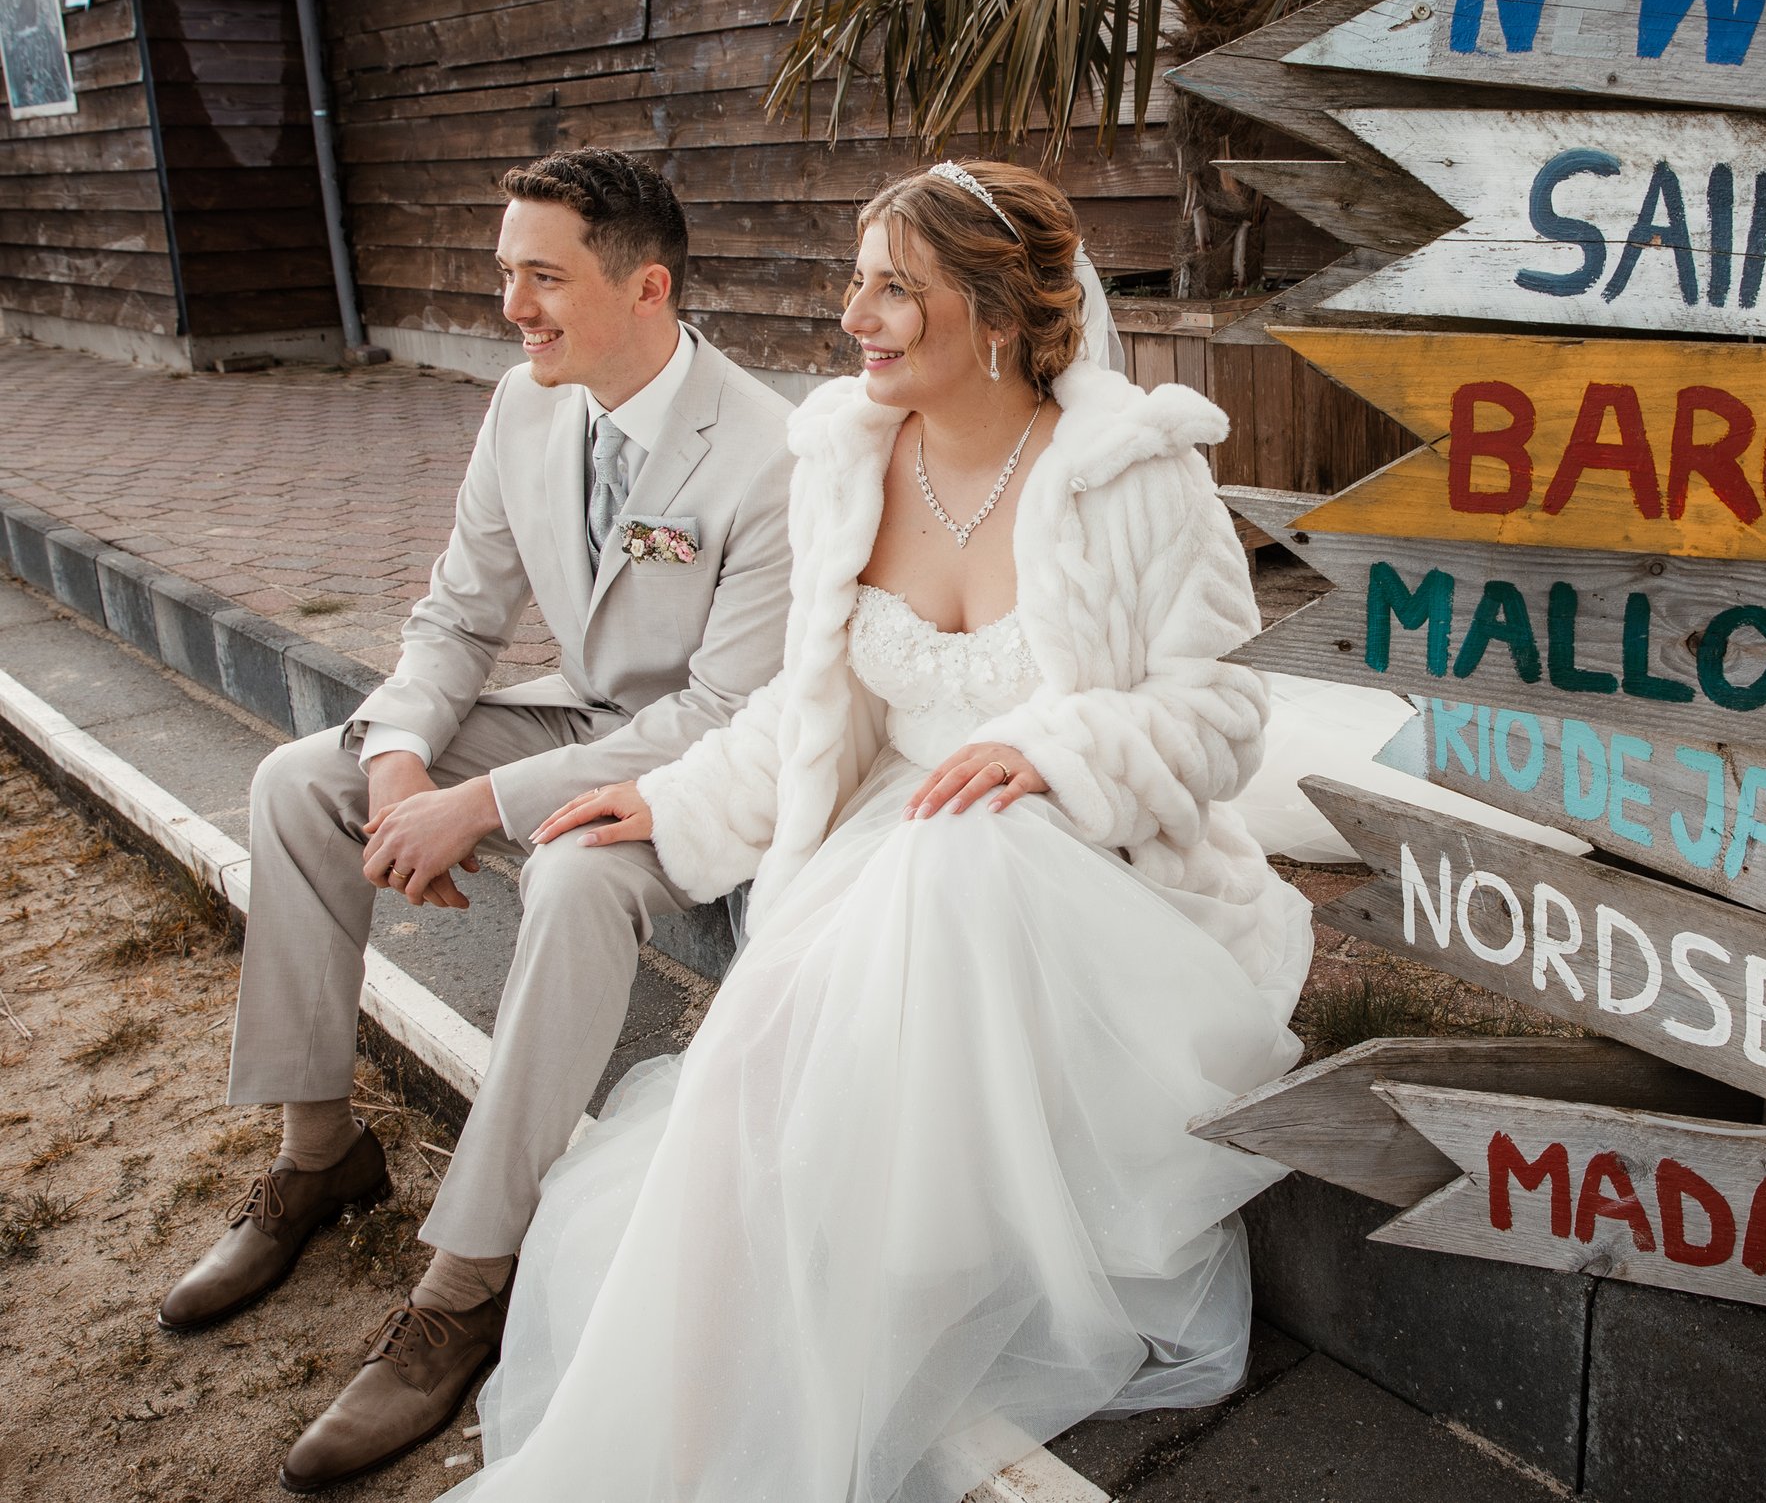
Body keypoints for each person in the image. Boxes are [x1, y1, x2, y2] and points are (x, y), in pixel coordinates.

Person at [438, 160, 1314, 1501]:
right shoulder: (845, 462)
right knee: (746, 1073)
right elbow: (810, 701)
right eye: (858, 281)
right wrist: (671, 802)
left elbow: (1219, 709)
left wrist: (1052, 748)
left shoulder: (1137, 478)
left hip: (1085, 867)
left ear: (999, 314)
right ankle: (679, 1448)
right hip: (889, 846)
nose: (858, 314)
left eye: (897, 288)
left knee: (956, 857)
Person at [156, 148, 798, 1493]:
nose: (512, 303)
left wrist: (482, 807)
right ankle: (318, 1156)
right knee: (295, 782)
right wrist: (399, 763)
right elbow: (455, 616)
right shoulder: (524, 405)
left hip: (696, 770)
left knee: (567, 883)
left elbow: (723, 711)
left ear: (647, 288)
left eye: (541, 276)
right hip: (572, 718)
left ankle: (467, 1279)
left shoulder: (767, 452)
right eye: (506, 271)